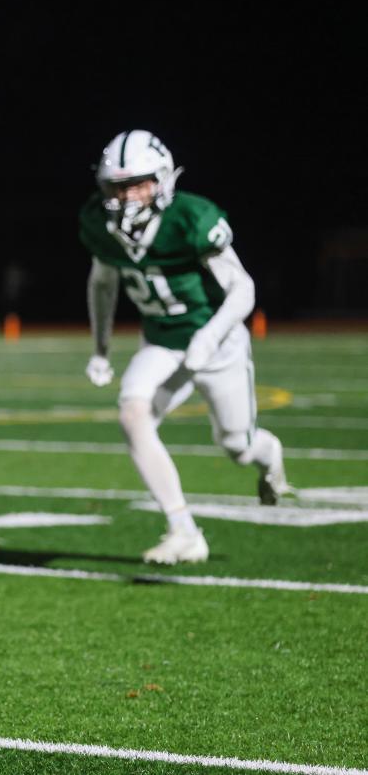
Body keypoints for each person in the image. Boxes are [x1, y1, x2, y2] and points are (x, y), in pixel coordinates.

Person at [81, 130, 293, 564]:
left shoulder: (191, 219)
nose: (126, 197)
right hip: (162, 342)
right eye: (117, 187)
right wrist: (101, 348)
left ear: (162, 179)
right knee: (133, 412)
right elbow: (102, 285)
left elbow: (243, 290)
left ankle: (270, 456)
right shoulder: (101, 226)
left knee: (237, 446)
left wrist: (208, 337)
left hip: (219, 343)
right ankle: (183, 530)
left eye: (137, 183)